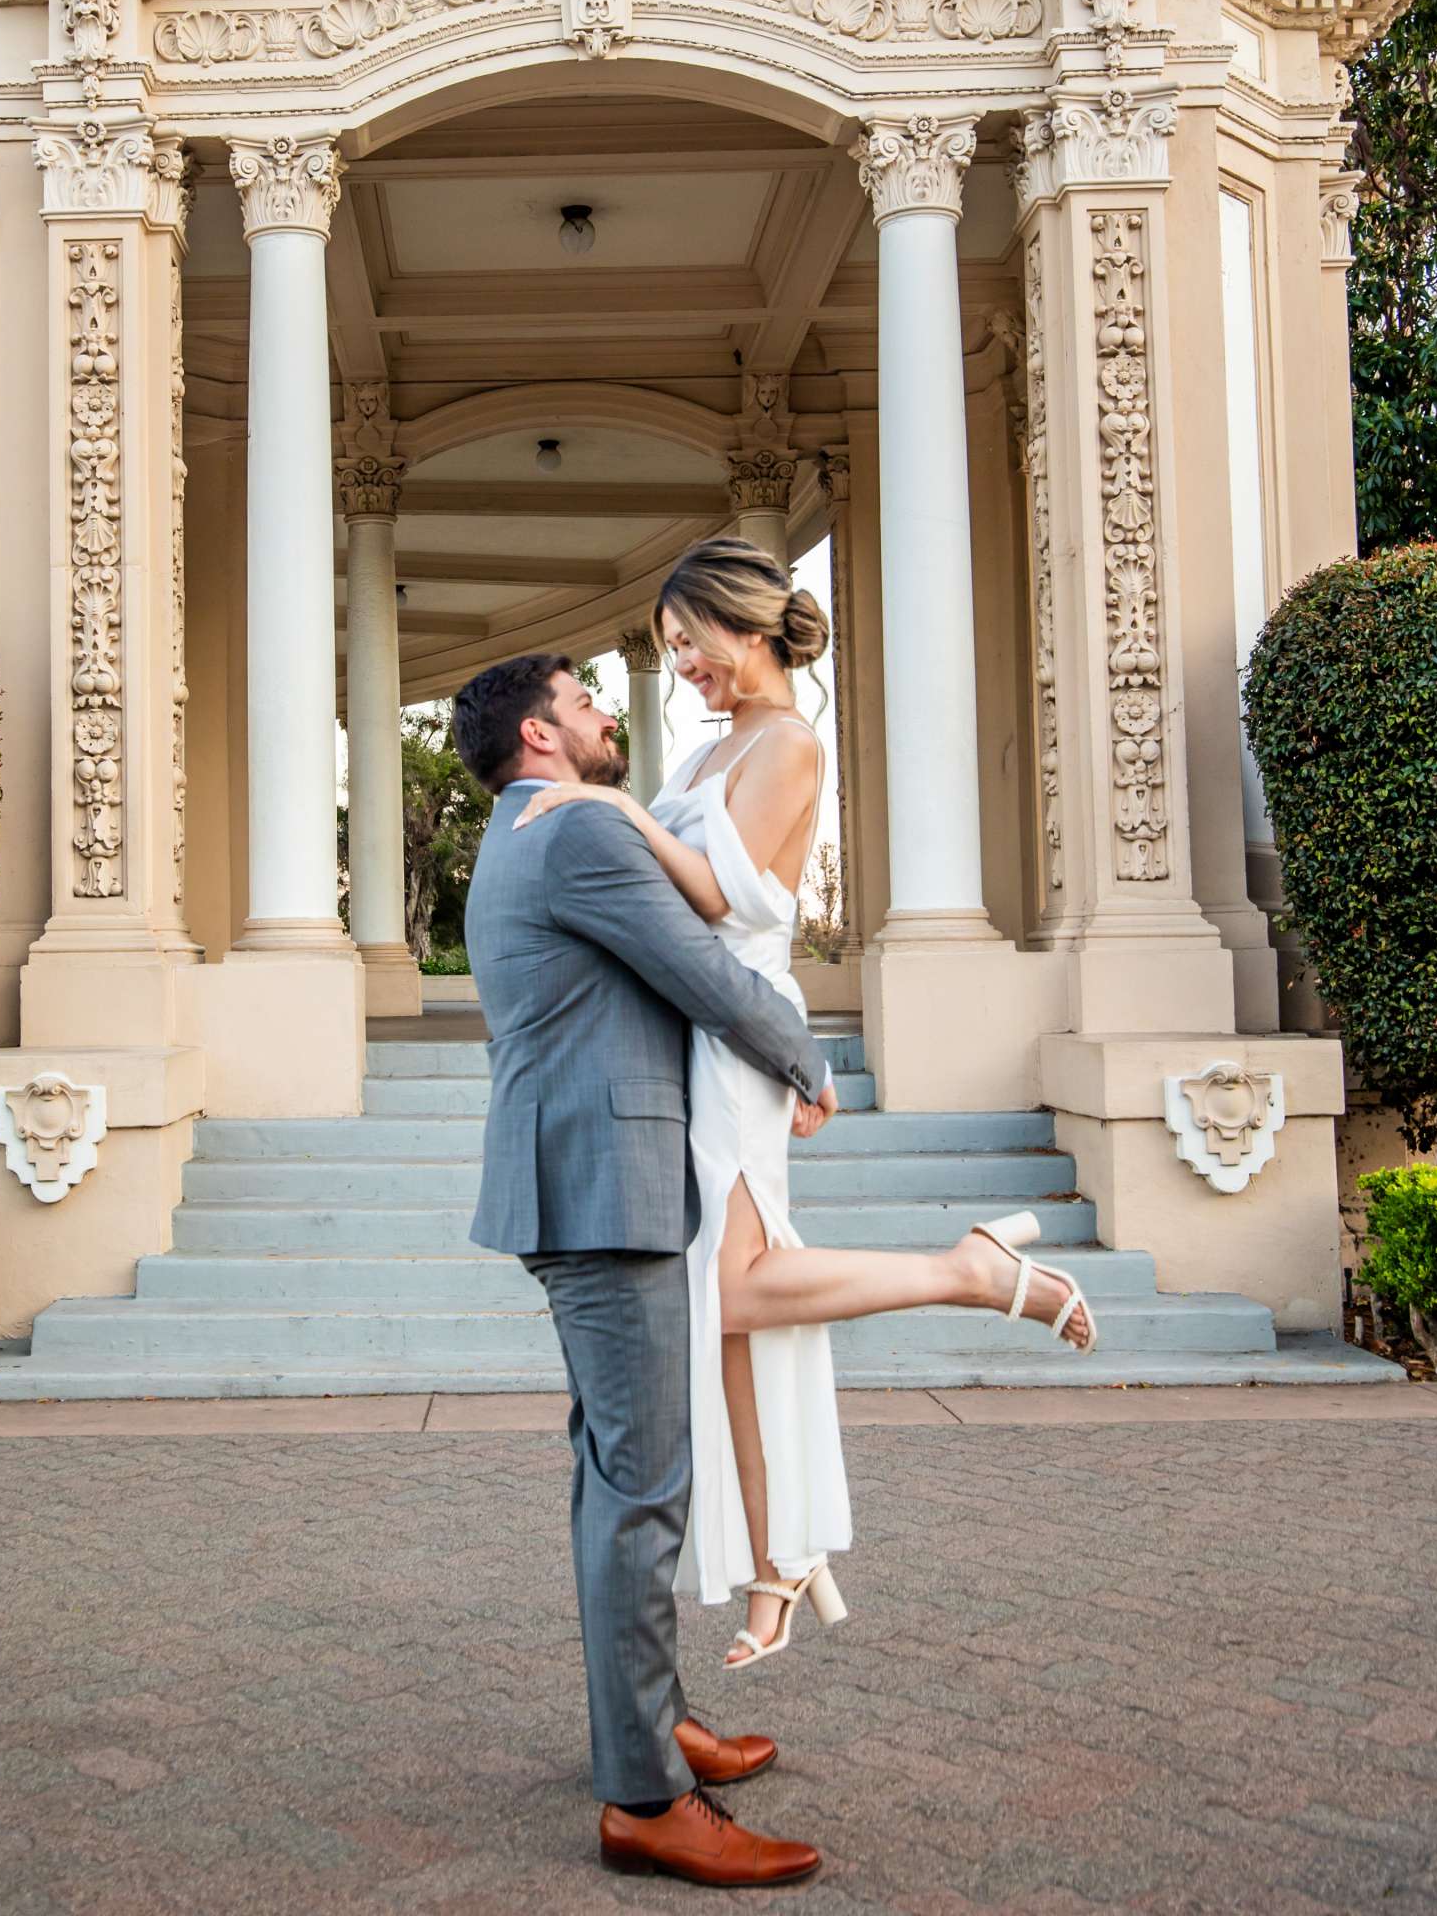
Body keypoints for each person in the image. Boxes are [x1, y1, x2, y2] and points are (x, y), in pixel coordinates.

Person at [510, 539, 1096, 1677]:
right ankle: (783, 1551)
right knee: (731, 1306)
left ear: (743, 628)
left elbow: (727, 898)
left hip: (735, 1029)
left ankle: (970, 1272)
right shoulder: (715, 742)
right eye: (669, 647)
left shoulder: (789, 743)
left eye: (689, 641)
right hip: (694, 1033)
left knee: (734, 1288)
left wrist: (612, 811)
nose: (679, 663)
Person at [454, 652, 832, 1888]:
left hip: (579, 1180)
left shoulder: (528, 831)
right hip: (604, 1191)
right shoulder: (575, 842)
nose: (606, 712)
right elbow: (702, 972)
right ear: (539, 736)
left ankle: (649, 1722)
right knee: (643, 1484)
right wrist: (805, 1060)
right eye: (583, 701)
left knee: (614, 1474)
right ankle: (642, 1800)